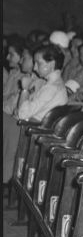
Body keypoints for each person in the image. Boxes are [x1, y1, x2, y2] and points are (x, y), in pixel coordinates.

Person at [3, 44, 68, 183]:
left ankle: (6, 176)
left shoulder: (51, 87)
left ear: (51, 64)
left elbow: (22, 114)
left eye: (39, 63)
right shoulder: (52, 84)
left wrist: (25, 90)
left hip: (30, 130)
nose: (35, 67)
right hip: (29, 125)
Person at [3, 38, 26, 114]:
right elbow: (5, 95)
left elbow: (12, 106)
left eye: (11, 54)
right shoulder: (13, 72)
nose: (7, 57)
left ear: (22, 57)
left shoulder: (24, 78)